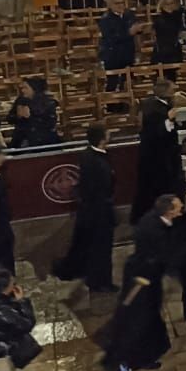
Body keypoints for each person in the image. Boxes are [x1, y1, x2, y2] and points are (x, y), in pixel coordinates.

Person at [101, 194, 186, 371]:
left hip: (142, 274)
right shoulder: (155, 232)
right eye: (179, 207)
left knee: (143, 317)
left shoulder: (152, 219)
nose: (182, 210)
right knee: (140, 320)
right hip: (143, 280)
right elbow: (168, 258)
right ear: (169, 211)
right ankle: (137, 357)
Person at [54, 124, 118, 293]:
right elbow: (103, 187)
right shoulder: (98, 163)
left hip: (89, 210)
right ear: (102, 139)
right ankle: (100, 282)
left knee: (87, 244)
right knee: (101, 248)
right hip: (99, 211)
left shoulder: (88, 155)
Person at [132, 79, 180, 220]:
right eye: (173, 88)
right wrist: (169, 120)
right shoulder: (153, 110)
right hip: (155, 156)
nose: (175, 89)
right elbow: (157, 131)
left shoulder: (153, 104)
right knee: (154, 188)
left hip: (156, 154)